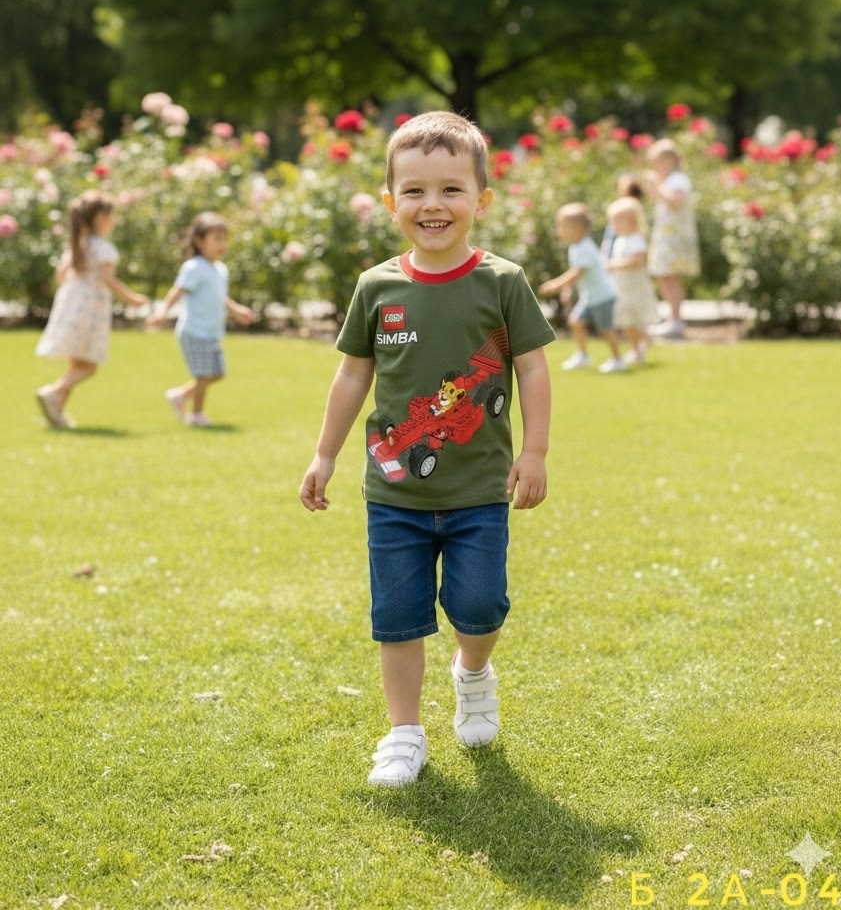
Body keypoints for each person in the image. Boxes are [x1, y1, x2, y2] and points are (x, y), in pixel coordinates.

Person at [299, 112, 554, 788]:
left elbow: (530, 367)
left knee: (480, 606)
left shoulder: (502, 282)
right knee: (398, 616)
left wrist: (535, 451)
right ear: (390, 202)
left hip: (479, 491)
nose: (432, 205)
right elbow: (354, 373)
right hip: (394, 496)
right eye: (413, 191)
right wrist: (324, 454)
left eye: (450, 190)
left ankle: (473, 672)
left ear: (481, 201)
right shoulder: (375, 287)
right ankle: (403, 732)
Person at [35, 190, 149, 428]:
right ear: (100, 218)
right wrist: (133, 299)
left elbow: (60, 277)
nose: (115, 221)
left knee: (76, 365)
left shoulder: (79, 246)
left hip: (71, 307)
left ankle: (56, 413)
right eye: (112, 216)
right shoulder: (103, 248)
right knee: (88, 367)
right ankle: (53, 392)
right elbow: (109, 281)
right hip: (90, 312)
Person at [148, 212, 254, 425]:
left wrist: (236, 310)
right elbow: (177, 292)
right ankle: (196, 415)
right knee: (204, 375)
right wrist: (161, 311)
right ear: (199, 241)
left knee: (216, 374)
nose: (222, 244)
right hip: (194, 331)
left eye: (224, 239)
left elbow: (219, 297)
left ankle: (180, 396)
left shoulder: (220, 269)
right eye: (216, 239)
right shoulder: (194, 267)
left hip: (211, 331)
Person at [539, 203, 625, 373]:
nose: (559, 231)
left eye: (562, 226)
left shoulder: (585, 247)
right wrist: (568, 289)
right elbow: (579, 275)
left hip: (602, 296)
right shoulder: (576, 247)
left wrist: (556, 285)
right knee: (576, 322)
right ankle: (582, 356)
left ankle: (617, 360)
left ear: (577, 228)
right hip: (590, 297)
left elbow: (577, 272)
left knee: (606, 329)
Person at [644, 139, 700, 338]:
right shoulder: (668, 180)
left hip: (674, 237)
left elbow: (676, 201)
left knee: (671, 276)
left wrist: (657, 186)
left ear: (667, 160)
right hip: (666, 235)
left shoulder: (678, 180)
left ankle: (676, 320)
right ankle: (671, 319)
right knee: (663, 276)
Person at [605, 196, 658, 364]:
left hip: (634, 289)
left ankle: (641, 344)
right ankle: (639, 345)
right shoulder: (621, 240)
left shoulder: (636, 240)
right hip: (622, 287)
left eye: (618, 222)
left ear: (632, 221)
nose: (614, 226)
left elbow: (638, 261)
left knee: (628, 321)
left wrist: (614, 265)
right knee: (624, 321)